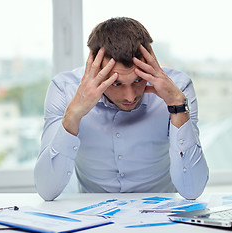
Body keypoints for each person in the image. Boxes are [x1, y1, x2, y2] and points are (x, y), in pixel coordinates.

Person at [34, 17, 209, 201]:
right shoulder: (64, 88)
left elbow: (193, 189)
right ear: (94, 68)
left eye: (138, 80)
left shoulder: (178, 88)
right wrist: (74, 114)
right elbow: (47, 190)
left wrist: (177, 107)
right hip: (92, 219)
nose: (130, 96)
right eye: (116, 83)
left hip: (161, 215)